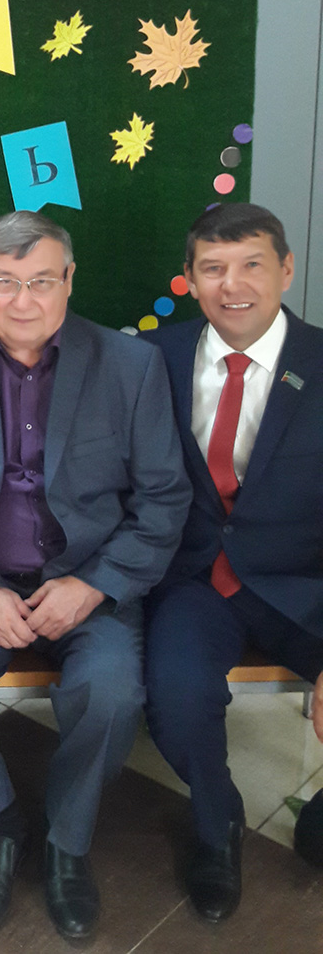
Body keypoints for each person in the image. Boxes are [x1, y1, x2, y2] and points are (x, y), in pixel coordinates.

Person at [0, 211, 191, 940]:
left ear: (69, 279)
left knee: (112, 691)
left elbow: (163, 499)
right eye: (5, 282)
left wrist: (94, 585)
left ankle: (66, 838)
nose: (23, 300)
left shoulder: (131, 366)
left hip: (90, 583)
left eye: (41, 282)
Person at [144, 203, 323, 920]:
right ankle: (217, 822)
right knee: (176, 697)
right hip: (194, 579)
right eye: (213, 268)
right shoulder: (151, 359)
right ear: (190, 279)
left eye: (252, 264)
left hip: (306, 581)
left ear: (286, 269)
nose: (233, 285)